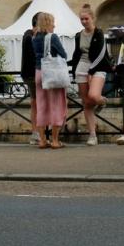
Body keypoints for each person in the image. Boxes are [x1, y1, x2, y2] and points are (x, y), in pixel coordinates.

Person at [70, 3, 111, 145]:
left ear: (93, 18)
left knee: (93, 96)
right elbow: (77, 54)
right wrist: (69, 65)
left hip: (98, 67)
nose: (84, 21)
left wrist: (91, 72)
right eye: (81, 19)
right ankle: (92, 135)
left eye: (86, 19)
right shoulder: (78, 35)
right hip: (81, 67)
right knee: (86, 103)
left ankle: (103, 101)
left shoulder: (99, 33)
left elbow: (100, 54)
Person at [33, 12, 68, 149]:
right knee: (56, 106)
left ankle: (42, 140)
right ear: (48, 23)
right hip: (52, 74)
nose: (54, 24)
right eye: (53, 22)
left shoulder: (34, 37)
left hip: (38, 72)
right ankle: (54, 140)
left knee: (41, 107)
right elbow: (63, 54)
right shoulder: (52, 37)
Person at [20, 12, 41, 145]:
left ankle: (37, 133)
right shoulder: (30, 37)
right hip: (32, 75)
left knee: (35, 103)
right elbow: (34, 58)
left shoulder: (28, 35)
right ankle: (37, 133)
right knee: (37, 103)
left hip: (29, 75)